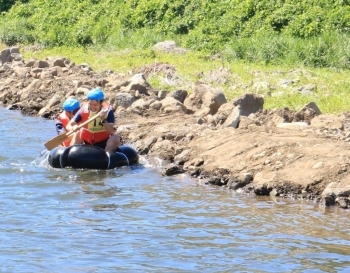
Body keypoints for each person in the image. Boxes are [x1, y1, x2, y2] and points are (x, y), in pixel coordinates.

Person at [68, 87, 121, 153]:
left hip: (102, 142)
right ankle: (71, 154)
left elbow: (111, 132)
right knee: (78, 133)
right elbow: (71, 123)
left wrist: (103, 119)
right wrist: (74, 127)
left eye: (95, 105)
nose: (92, 107)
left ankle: (106, 158)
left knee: (115, 138)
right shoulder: (83, 110)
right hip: (86, 141)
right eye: (90, 104)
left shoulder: (108, 111)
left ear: (101, 103)